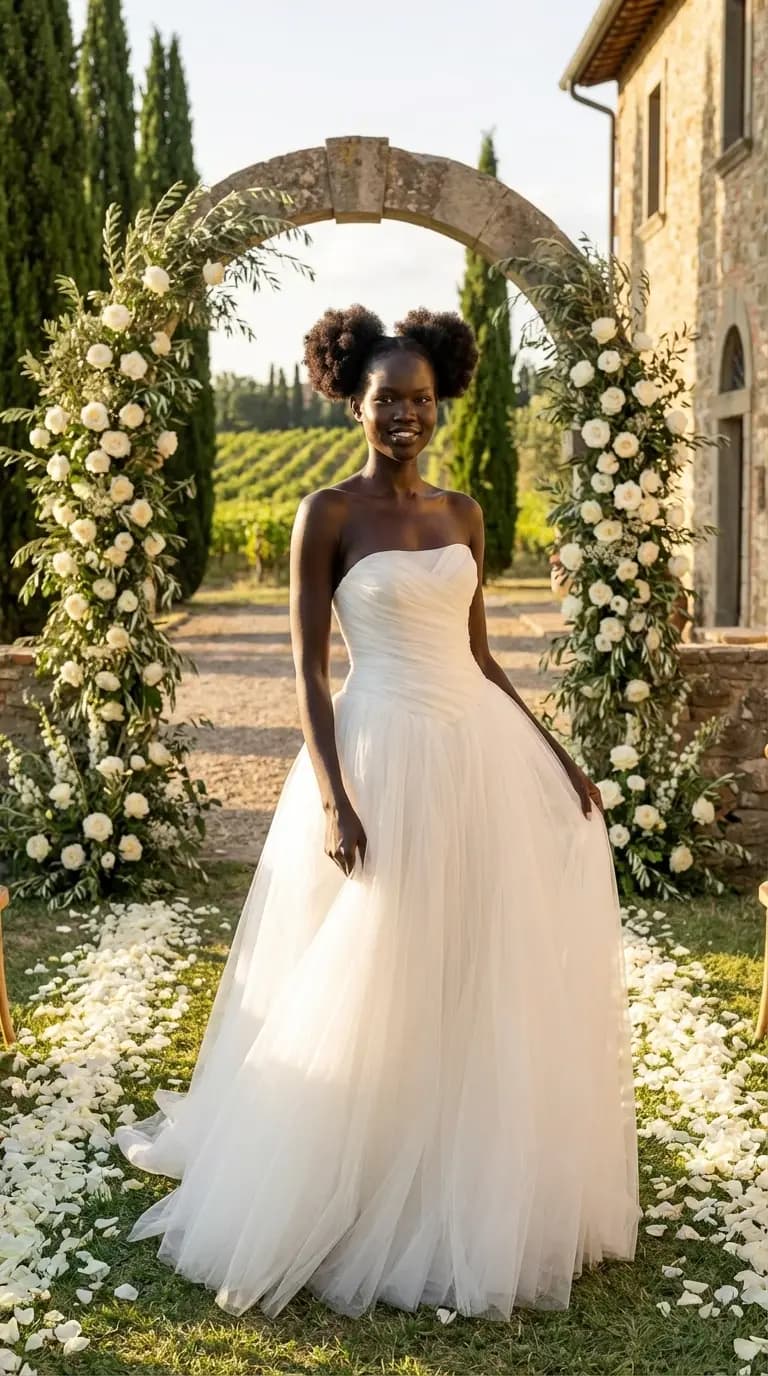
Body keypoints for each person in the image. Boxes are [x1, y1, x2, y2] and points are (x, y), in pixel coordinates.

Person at [114, 304, 641, 1321]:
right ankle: (354, 1162)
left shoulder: (466, 515)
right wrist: (332, 796)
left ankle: (454, 1153)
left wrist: (559, 755)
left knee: (472, 956)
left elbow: (484, 655)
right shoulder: (329, 513)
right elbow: (309, 671)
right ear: (353, 401)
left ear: (441, 405)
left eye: (421, 399)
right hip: (379, 751)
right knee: (376, 961)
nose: (405, 414)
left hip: (475, 747)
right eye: (387, 399)